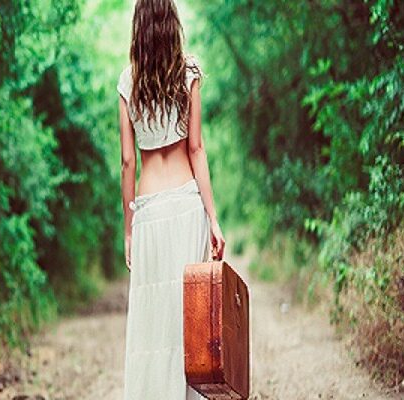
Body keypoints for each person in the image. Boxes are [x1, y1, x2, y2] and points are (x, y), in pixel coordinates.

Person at [117, 0, 225, 398]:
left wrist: (128, 230)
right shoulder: (189, 72)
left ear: (139, 27)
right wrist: (213, 219)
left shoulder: (128, 82)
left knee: (151, 321)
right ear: (172, 23)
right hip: (186, 205)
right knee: (188, 320)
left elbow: (128, 162)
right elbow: (196, 149)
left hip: (149, 212)